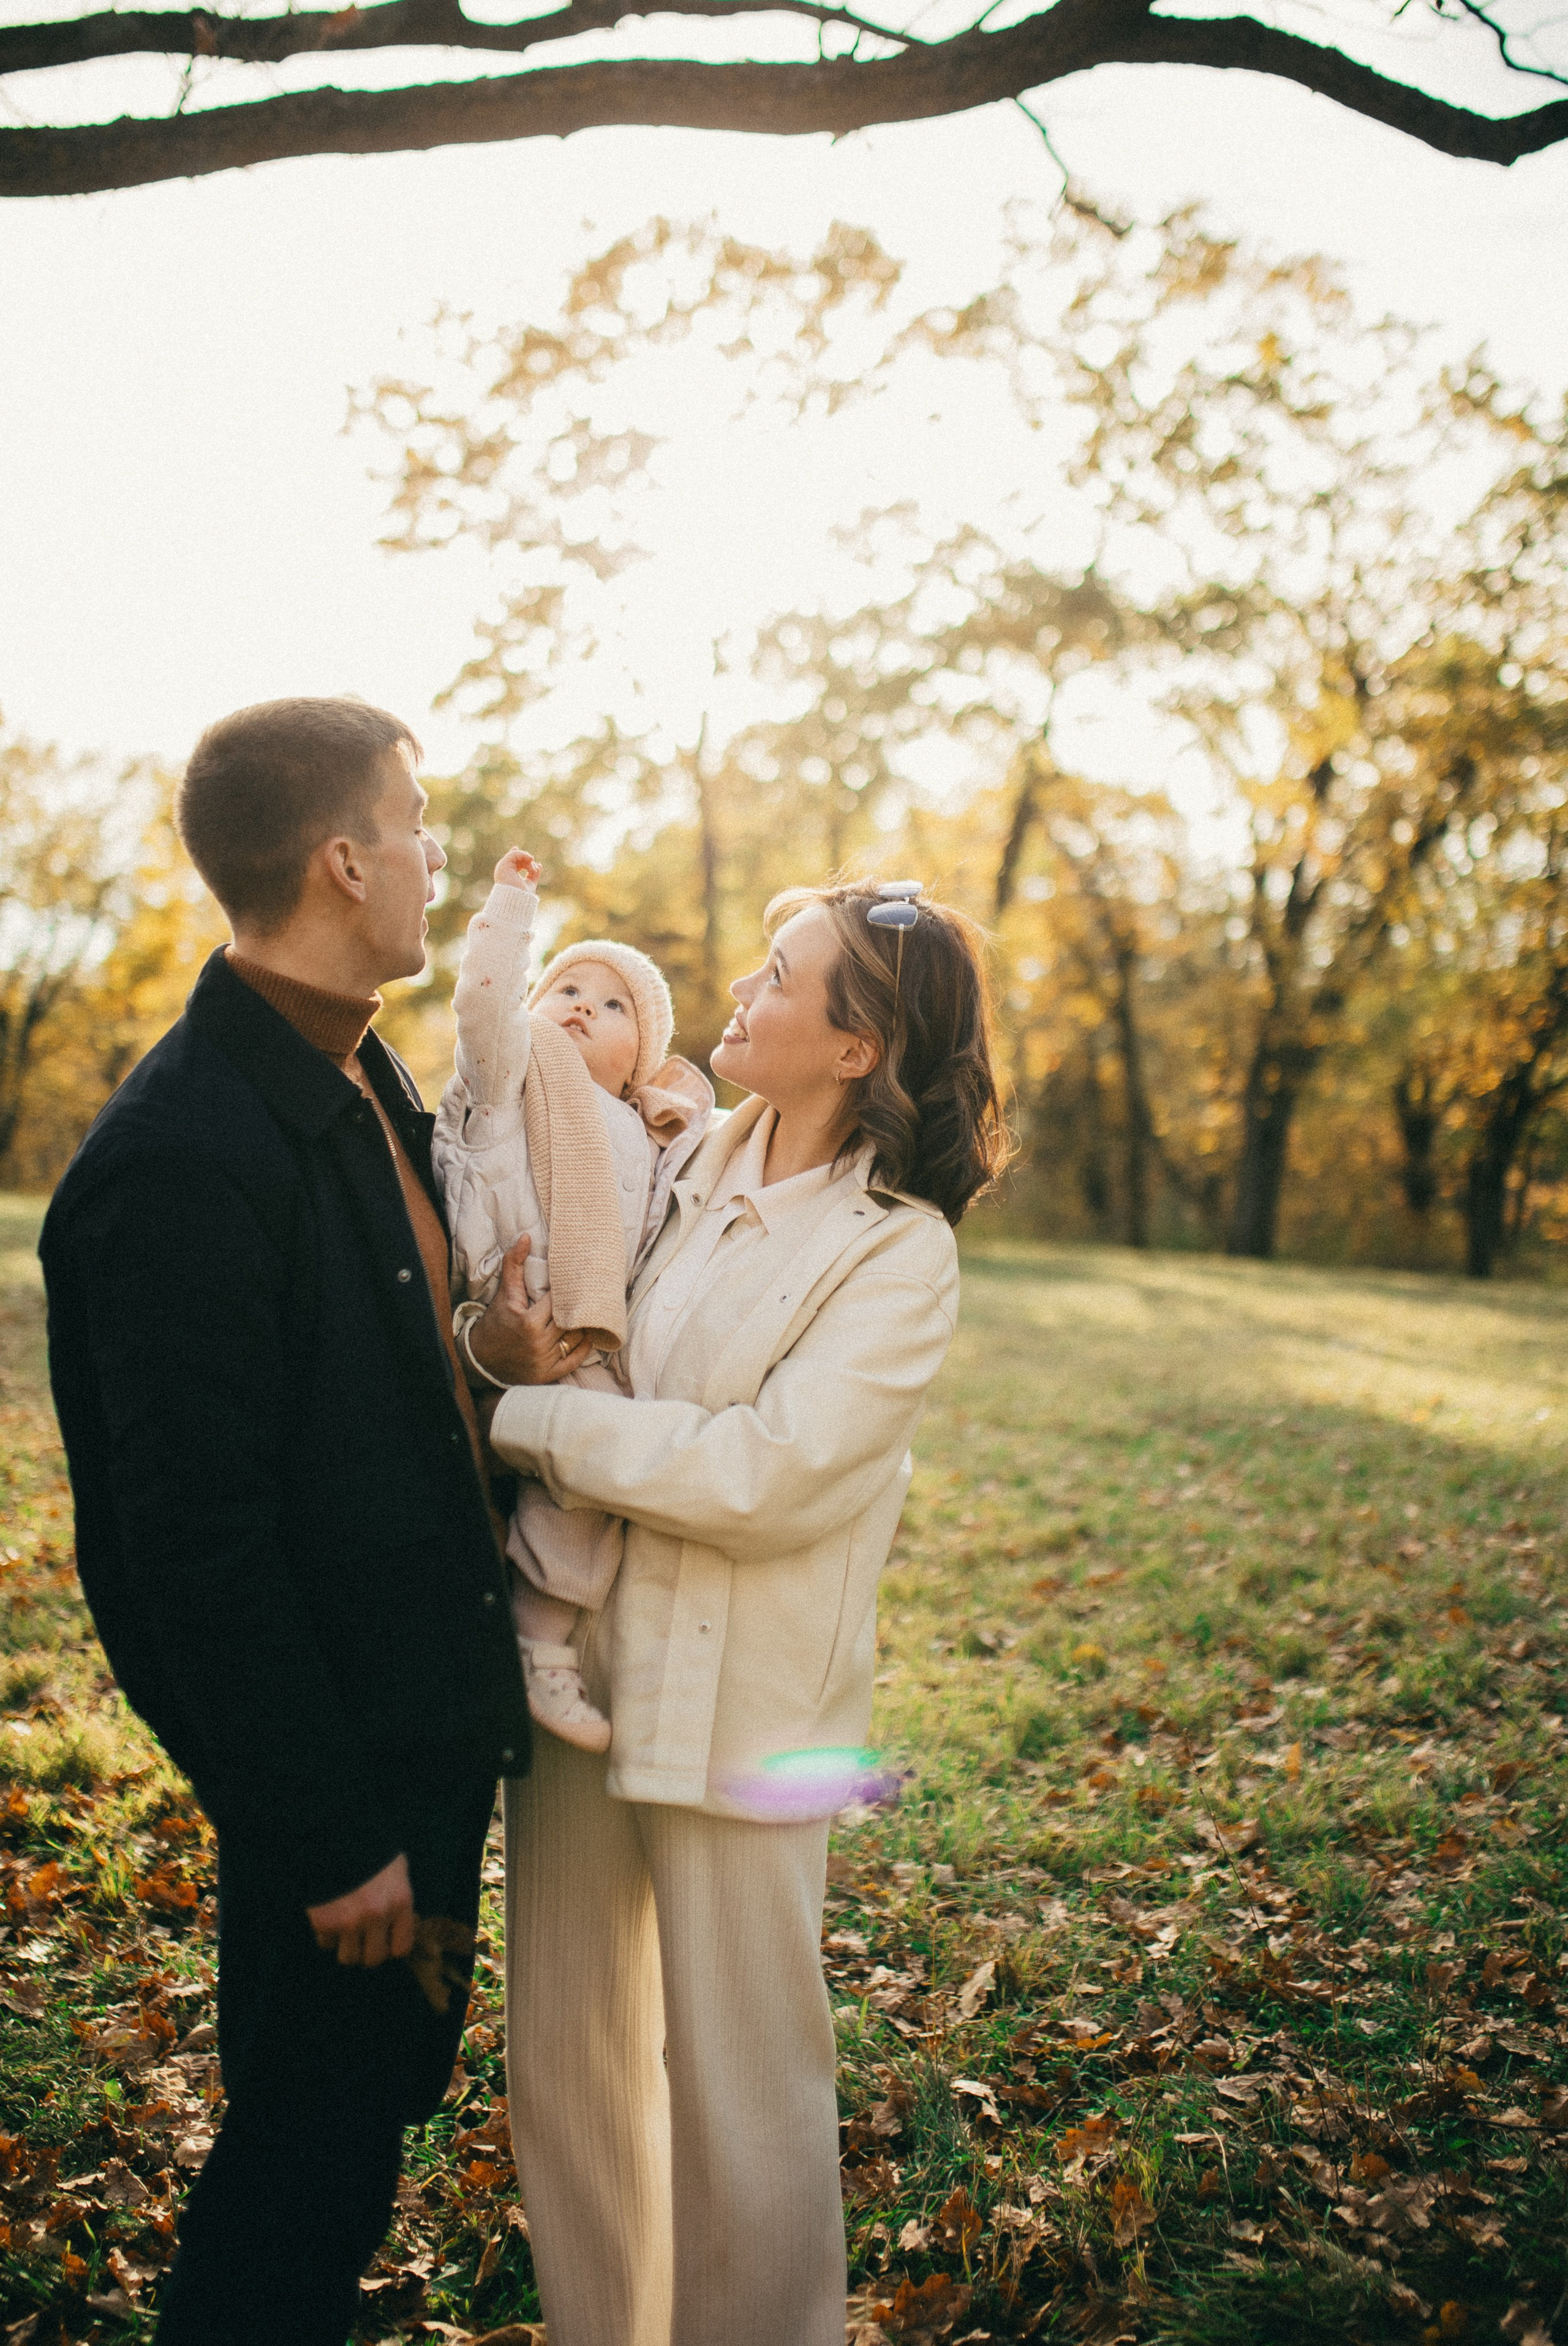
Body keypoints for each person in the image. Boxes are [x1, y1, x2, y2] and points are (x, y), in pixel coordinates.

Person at [39, 698, 549, 2346]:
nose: (431, 859)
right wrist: (329, 1835)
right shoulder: (186, 1154)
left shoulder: (356, 1072)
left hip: (421, 1735)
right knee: (294, 2178)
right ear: (343, 858)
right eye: (417, 826)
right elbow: (192, 1555)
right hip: (341, 1799)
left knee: (347, 2145)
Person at [469, 876, 1009, 2346]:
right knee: (566, 2066)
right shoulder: (663, 1162)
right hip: (573, 1676)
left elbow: (770, 1474)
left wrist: (525, 1421)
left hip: (750, 1713)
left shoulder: (898, 1250)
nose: (743, 991)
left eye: (781, 977)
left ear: (853, 1047)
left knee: (743, 2089)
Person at [433, 844, 712, 1752]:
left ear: (645, 1056)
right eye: (565, 989)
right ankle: (529, 1651)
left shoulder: (645, 1127)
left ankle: (537, 1639)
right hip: (511, 1310)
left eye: (615, 1002)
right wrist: (512, 910)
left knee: (587, 1483)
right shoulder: (511, 1078)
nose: (583, 1005)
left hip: (587, 1341)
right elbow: (483, 1001)